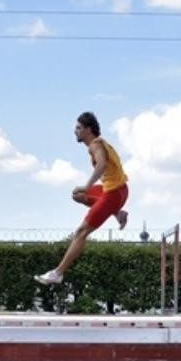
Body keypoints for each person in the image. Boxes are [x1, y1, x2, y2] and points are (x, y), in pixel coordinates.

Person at [35, 112, 129, 285]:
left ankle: (58, 273)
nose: (75, 131)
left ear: (88, 129)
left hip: (114, 193)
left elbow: (101, 164)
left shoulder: (95, 145)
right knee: (78, 195)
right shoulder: (98, 144)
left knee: (81, 232)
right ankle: (118, 213)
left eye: (78, 128)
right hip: (117, 189)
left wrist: (87, 185)